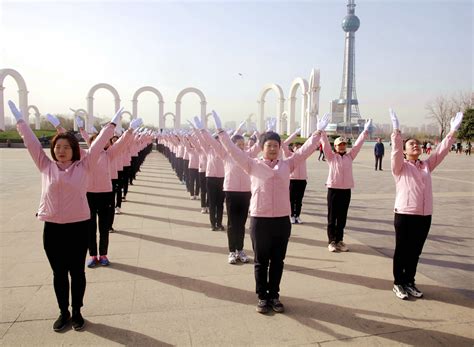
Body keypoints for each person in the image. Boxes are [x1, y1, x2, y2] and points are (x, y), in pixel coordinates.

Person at [8, 100, 119, 332]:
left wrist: (112, 125)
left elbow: (98, 145)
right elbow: (31, 144)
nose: (61, 151)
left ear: (74, 150)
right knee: (59, 273)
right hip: (53, 229)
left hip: (78, 227)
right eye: (58, 147)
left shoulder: (84, 167)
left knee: (77, 272)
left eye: (66, 147)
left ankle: (77, 311)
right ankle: (63, 312)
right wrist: (20, 122)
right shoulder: (45, 166)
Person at [214, 110, 329, 314]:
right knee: (261, 261)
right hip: (260, 220)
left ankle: (274, 295)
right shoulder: (252, 165)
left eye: (276, 145)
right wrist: (222, 132)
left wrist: (318, 133)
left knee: (278, 261)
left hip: (282, 222)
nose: (273, 149)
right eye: (269, 145)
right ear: (262, 148)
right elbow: (233, 151)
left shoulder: (287, 165)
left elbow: (304, 151)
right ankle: (262, 297)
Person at [389, 109, 463, 300]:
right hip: (405, 213)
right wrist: (397, 132)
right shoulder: (400, 167)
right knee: (402, 251)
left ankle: (409, 281)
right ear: (405, 151)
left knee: (415, 251)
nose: (416, 146)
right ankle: (398, 283)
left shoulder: (426, 166)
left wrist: (452, 131)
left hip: (424, 215)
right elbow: (396, 152)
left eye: (418, 144)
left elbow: (442, 151)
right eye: (411, 144)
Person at [320, 119, 372, 252]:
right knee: (332, 218)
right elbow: (325, 145)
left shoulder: (350, 156)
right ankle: (331, 241)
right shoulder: (331, 158)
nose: (342, 146)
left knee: (342, 218)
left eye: (343, 144)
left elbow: (358, 145)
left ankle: (339, 240)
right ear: (335, 147)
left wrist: (365, 132)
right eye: (339, 144)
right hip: (333, 190)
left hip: (346, 191)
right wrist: (322, 132)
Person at [282, 129, 308, 224]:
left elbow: (310, 146)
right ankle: (292, 215)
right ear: (293, 147)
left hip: (302, 180)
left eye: (300, 147)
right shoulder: (289, 155)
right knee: (292, 199)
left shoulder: (303, 156)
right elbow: (283, 144)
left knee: (299, 200)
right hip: (292, 180)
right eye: (297, 147)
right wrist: (295, 134)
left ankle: (298, 215)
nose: (299, 148)